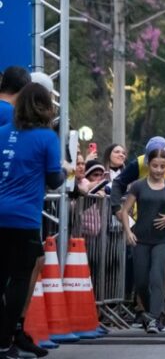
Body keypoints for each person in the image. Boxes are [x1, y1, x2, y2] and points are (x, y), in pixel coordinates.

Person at [0, 83, 65, 358]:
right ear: (46, 106)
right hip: (24, 217)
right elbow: (53, 178)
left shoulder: (2, 133)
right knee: (19, 279)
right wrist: (64, 172)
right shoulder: (46, 137)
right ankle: (4, 342)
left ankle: (15, 335)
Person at [116, 149, 165, 334]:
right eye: (155, 166)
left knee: (157, 276)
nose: (158, 170)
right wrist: (128, 232)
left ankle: (153, 318)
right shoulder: (138, 186)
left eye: (162, 166)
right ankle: (154, 312)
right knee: (141, 281)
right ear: (148, 165)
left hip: (163, 239)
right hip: (141, 238)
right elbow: (125, 210)